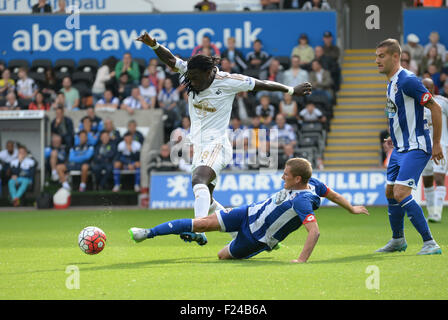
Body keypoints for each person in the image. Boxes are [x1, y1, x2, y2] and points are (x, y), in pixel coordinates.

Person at [136, 31, 312, 245]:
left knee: (198, 180)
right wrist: (153, 44)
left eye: (196, 78)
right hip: (200, 146)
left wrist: (291, 90)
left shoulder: (228, 81)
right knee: (207, 199)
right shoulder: (190, 71)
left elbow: (262, 83)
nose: (192, 82)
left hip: (217, 144)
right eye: (190, 77)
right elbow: (171, 59)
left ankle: (198, 227)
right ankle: (245, 236)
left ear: (209, 72)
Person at [129, 158, 368, 261]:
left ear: (297, 179)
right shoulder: (313, 183)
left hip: (255, 238)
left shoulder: (303, 201)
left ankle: (263, 244)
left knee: (222, 256)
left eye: (286, 174)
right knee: (201, 223)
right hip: (247, 212)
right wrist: (351, 209)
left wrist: (301, 260)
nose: (282, 175)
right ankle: (147, 233)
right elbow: (333, 194)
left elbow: (314, 232)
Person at [375, 38, 443, 255]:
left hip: (416, 146)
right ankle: (398, 240)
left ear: (396, 56)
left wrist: (437, 143)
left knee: (401, 192)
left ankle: (430, 242)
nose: (377, 60)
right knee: (390, 192)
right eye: (376, 56)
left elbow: (435, 108)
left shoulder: (407, 80)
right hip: (399, 148)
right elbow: (395, 113)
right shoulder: (390, 83)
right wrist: (392, 136)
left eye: (381, 56)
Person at [421, 78, 448, 223]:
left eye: (428, 87)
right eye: (423, 86)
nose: (426, 89)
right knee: (427, 180)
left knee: (439, 177)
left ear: (433, 88)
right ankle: (431, 213)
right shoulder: (416, 105)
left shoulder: (443, 102)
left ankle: (437, 213)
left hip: (441, 145)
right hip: (424, 147)